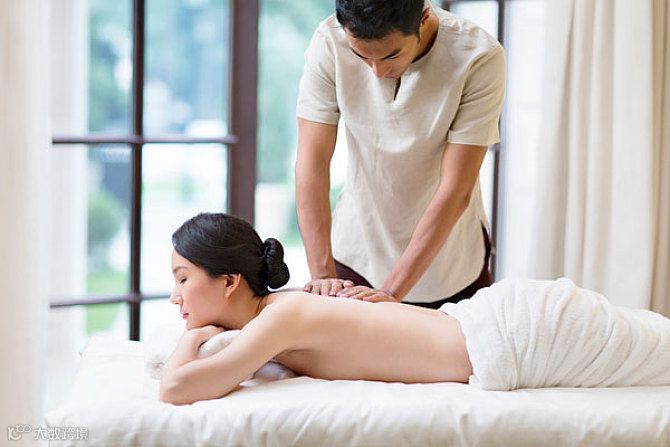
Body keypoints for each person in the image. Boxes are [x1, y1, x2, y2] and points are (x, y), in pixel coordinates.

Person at [160, 213, 670, 406]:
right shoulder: (282, 313)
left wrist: (191, 339)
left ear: (229, 281)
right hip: (505, 330)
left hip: (521, 335)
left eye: (183, 278)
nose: (175, 296)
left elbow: (177, 388)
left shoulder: (280, 317)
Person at [295, 0, 505, 308]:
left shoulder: (478, 56)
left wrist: (392, 292)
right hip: (357, 253)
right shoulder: (329, 42)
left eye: (391, 55)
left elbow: (456, 189)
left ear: (423, 18)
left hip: (449, 265)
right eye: (361, 56)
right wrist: (324, 278)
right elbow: (311, 164)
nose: (378, 72)